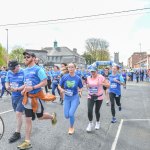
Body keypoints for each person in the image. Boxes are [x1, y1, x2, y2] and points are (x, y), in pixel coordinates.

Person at [17, 51, 57, 150]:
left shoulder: (39, 69)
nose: (25, 58)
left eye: (27, 57)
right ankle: (27, 142)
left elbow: (44, 82)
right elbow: (27, 83)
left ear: (34, 58)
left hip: (37, 98)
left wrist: (33, 87)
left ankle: (52, 116)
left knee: (40, 117)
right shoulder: (25, 70)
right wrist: (23, 89)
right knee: (28, 120)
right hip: (27, 98)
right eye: (24, 57)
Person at [59, 63, 83, 135]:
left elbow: (81, 87)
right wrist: (61, 89)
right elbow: (59, 85)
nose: (71, 69)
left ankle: (71, 127)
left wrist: (80, 92)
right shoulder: (64, 77)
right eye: (69, 67)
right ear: (68, 68)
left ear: (75, 68)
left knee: (71, 113)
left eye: (72, 67)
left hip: (75, 97)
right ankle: (73, 108)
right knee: (66, 116)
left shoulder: (78, 78)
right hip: (67, 98)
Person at [5, 60, 25, 143]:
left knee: (18, 113)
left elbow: (26, 84)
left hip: (22, 96)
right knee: (18, 113)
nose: (12, 70)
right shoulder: (9, 72)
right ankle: (29, 112)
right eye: (11, 69)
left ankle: (17, 133)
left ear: (18, 66)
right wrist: (7, 87)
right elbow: (7, 82)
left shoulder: (24, 72)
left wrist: (17, 89)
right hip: (14, 96)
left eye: (14, 68)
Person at [86, 67, 110, 132]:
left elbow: (108, 85)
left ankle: (98, 122)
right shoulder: (88, 78)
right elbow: (87, 85)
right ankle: (90, 123)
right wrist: (88, 86)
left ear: (97, 71)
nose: (92, 73)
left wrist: (102, 83)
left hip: (99, 97)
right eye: (91, 71)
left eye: (94, 71)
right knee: (89, 110)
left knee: (97, 111)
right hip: (90, 96)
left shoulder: (101, 77)